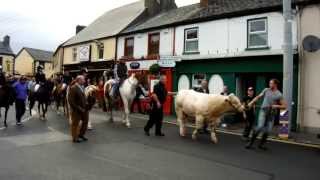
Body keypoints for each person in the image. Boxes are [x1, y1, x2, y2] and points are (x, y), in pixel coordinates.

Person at [246, 79, 287, 150]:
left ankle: (261, 145)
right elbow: (258, 97)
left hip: (271, 114)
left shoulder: (279, 94)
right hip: (263, 111)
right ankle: (250, 143)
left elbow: (284, 106)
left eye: (271, 83)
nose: (269, 85)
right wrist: (251, 103)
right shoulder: (266, 90)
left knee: (268, 130)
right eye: (269, 83)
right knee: (260, 126)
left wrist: (276, 106)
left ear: (275, 84)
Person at [68, 75, 89, 143]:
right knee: (75, 123)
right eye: (83, 80)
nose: (84, 81)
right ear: (79, 80)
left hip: (84, 108)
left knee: (85, 122)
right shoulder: (73, 88)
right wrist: (78, 108)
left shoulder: (82, 87)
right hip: (77, 110)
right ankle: (75, 137)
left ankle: (81, 135)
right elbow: (71, 101)